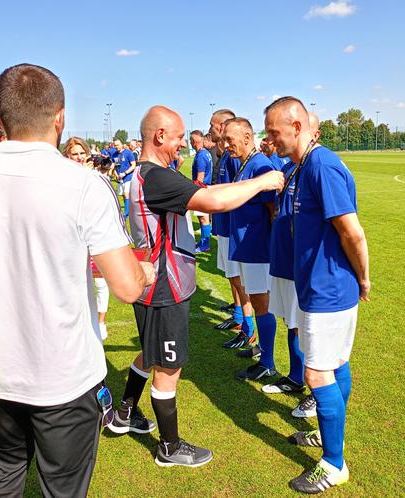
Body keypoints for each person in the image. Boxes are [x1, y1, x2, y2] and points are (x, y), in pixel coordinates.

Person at [0, 63, 154, 497]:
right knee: (63, 489)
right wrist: (143, 270)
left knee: (4, 474)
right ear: (60, 118)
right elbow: (127, 287)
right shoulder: (84, 184)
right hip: (65, 375)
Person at [107, 105, 284, 468]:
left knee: (151, 351)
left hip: (154, 283)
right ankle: (169, 448)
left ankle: (125, 411)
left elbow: (207, 190)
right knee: (168, 367)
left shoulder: (148, 175)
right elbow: (214, 202)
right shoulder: (155, 176)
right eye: (177, 138)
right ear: (159, 136)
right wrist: (263, 182)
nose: (182, 146)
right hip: (164, 287)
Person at [265, 97, 370, 494]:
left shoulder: (321, 165)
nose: (270, 139)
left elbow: (352, 231)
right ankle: (329, 440)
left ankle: (334, 463)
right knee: (335, 362)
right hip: (319, 285)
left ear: (296, 125)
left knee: (316, 371)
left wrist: (364, 277)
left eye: (274, 131)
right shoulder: (303, 165)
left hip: (329, 287)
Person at [261, 115, 321, 404]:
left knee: (308, 329)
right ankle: (296, 378)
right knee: (291, 323)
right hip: (283, 261)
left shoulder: (317, 169)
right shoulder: (287, 168)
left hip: (303, 267)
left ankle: (315, 390)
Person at [222, 118, 278, 382]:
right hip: (246, 245)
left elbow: (272, 210)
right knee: (256, 302)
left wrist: (270, 246)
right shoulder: (245, 163)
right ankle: (261, 351)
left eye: (230, 139)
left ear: (247, 136)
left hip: (257, 248)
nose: (226, 145)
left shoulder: (260, 165)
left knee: (261, 304)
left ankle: (267, 362)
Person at [208, 109, 251, 337]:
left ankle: (247, 324)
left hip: (232, 228)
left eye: (213, 125)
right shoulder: (225, 155)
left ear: (223, 126)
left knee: (238, 278)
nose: (210, 130)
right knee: (231, 276)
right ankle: (238, 315)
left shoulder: (235, 158)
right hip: (223, 225)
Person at [63, 137, 111, 340]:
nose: (79, 157)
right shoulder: (61, 177)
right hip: (70, 237)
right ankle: (77, 323)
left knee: (101, 283)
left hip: (93, 236)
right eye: (75, 154)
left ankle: (100, 322)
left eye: (82, 153)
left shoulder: (95, 176)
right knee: (74, 283)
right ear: (67, 155)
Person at [189, 130, 213, 252]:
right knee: (203, 217)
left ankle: (205, 244)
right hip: (205, 189)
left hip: (202, 189)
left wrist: (193, 191)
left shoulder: (201, 156)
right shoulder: (205, 153)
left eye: (190, 140)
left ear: (193, 142)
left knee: (203, 218)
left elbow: (200, 177)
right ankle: (204, 242)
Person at [114, 139, 136, 217]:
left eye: (117, 145)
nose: (116, 147)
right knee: (123, 195)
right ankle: (128, 210)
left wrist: (125, 173)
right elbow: (114, 166)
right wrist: (116, 175)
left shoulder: (128, 153)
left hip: (128, 176)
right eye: (115, 145)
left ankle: (126, 214)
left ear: (122, 144)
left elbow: (133, 165)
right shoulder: (114, 155)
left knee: (126, 194)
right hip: (120, 178)